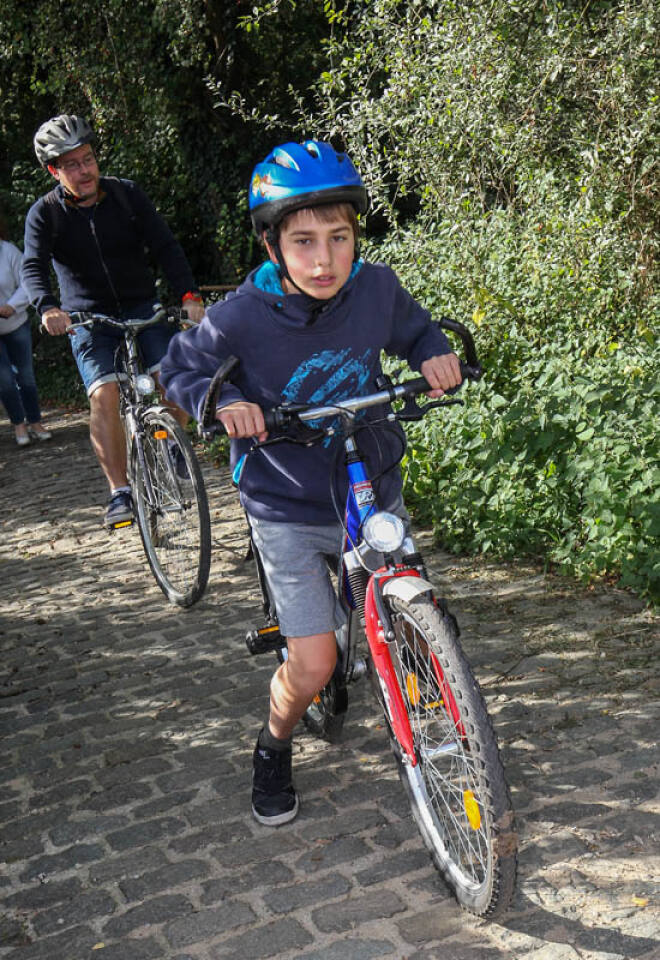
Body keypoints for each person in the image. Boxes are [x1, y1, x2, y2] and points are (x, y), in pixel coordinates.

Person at [160, 140, 462, 826]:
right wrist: (221, 399)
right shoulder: (240, 316)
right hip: (286, 503)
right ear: (272, 246)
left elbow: (416, 333)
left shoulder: (375, 289)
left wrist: (434, 354)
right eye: (303, 242)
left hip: (369, 484)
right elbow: (178, 370)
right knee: (315, 661)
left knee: (417, 619)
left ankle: (418, 665)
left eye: (339, 238)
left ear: (356, 237)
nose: (324, 260)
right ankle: (273, 744)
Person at [21, 114, 204, 526]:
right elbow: (33, 265)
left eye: (88, 159)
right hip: (88, 319)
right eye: (72, 165)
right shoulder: (45, 214)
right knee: (104, 394)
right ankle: (120, 492)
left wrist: (189, 297)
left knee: (175, 376)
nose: (84, 170)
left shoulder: (126, 195)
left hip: (142, 306)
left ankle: (172, 442)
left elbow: (165, 245)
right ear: (54, 171)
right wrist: (48, 307)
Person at [0, 213, 52, 446]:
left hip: (15, 324)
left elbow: (27, 281)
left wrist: (12, 306)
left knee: (26, 376)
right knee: (5, 380)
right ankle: (18, 424)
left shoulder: (8, 251)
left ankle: (35, 421)